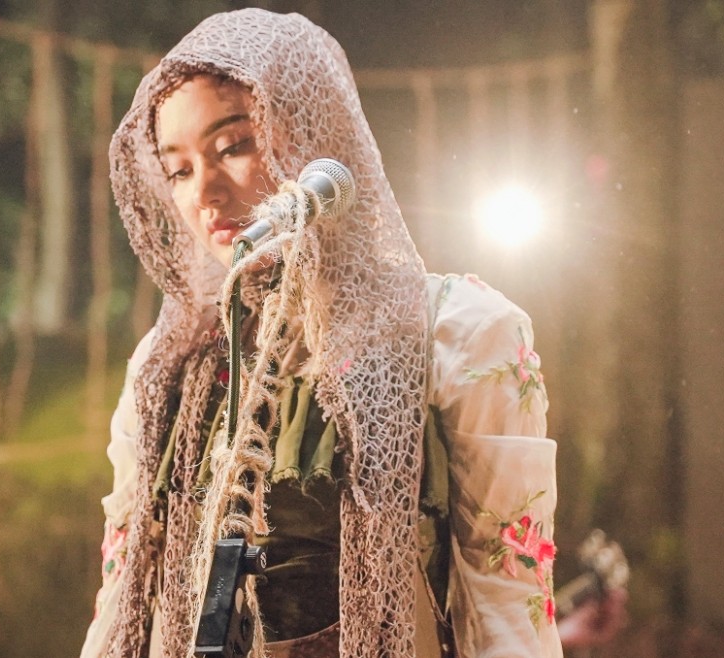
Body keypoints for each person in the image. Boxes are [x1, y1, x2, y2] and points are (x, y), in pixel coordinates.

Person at [82, 9, 571, 657]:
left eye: (233, 146)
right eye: (178, 170)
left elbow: (506, 599)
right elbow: (121, 600)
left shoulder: (459, 331)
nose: (205, 192)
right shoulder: (170, 362)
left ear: (316, 136)